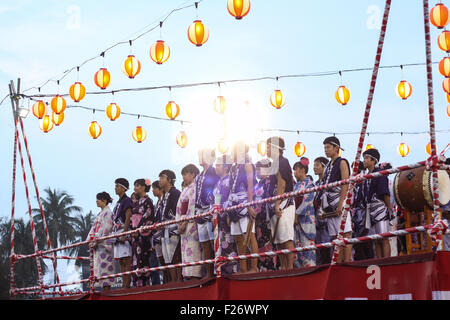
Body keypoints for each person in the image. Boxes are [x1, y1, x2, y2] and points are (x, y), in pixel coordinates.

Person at [319, 136, 352, 263]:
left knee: (346, 234)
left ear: (336, 148)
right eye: (325, 147)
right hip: (329, 203)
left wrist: (341, 203)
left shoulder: (342, 162)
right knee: (335, 236)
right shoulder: (327, 165)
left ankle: (347, 261)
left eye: (328, 147)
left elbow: (345, 183)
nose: (326, 150)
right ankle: (338, 262)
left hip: (339, 200)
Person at [228, 142, 258, 274]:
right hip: (233, 204)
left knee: (250, 236)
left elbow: (251, 186)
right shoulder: (232, 168)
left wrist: (250, 205)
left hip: (245, 201)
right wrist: (229, 211)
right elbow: (230, 189)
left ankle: (254, 267)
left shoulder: (247, 165)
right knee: (238, 238)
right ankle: (243, 268)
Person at [266, 137, 296, 270]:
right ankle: (283, 266)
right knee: (278, 239)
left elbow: (282, 184)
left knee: (286, 237)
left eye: (268, 147)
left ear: (274, 148)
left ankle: (290, 267)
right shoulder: (274, 163)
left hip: (283, 202)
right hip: (275, 203)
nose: (266, 150)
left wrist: (277, 203)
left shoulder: (282, 162)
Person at [359, 148, 391, 258]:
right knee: (376, 239)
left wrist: (388, 209)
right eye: (364, 158)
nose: (364, 160)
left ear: (374, 160)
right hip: (370, 209)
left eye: (367, 158)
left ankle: (386, 262)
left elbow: (385, 194)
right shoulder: (366, 176)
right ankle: (379, 261)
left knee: (383, 237)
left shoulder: (380, 174)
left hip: (380, 207)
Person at [195, 148, 220, 277]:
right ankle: (209, 273)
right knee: (204, 244)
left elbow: (217, 190)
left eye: (203, 154)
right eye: (200, 154)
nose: (200, 157)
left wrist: (214, 208)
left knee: (212, 242)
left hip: (210, 210)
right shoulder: (199, 175)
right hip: (200, 211)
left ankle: (217, 271)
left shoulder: (214, 172)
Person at [176, 164, 203, 280]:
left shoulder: (195, 188)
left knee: (193, 248)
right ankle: (187, 274)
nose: (184, 177)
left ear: (192, 174)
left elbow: (191, 207)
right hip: (182, 222)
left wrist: (185, 222)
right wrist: (178, 223)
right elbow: (178, 208)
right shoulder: (185, 189)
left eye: (185, 174)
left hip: (190, 223)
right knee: (185, 250)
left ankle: (195, 275)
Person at [213, 155, 238, 275]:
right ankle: (221, 272)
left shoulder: (230, 180)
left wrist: (227, 214)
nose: (215, 167)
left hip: (226, 218)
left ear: (226, 167)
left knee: (228, 245)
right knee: (220, 247)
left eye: (218, 165)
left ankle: (231, 272)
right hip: (217, 220)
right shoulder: (218, 182)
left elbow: (230, 199)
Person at [87, 192, 115, 291]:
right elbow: (94, 227)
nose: (96, 201)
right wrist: (90, 238)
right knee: (99, 271)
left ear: (104, 200)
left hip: (104, 244)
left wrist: (96, 237)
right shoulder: (101, 213)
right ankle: (104, 290)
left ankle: (107, 292)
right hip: (98, 245)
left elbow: (106, 228)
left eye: (98, 199)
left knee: (106, 270)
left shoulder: (108, 212)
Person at [130, 179, 156, 287]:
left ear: (143, 187)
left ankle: (144, 284)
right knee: (136, 260)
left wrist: (139, 229)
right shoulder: (136, 203)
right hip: (135, 235)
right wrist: (132, 230)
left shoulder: (147, 201)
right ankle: (137, 284)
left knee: (143, 259)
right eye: (134, 186)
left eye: (137, 185)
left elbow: (148, 217)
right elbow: (133, 218)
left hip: (143, 236)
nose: (135, 188)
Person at [292, 157, 316, 268]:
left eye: (296, 170)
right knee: (297, 248)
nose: (294, 173)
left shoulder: (310, 184)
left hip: (306, 218)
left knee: (308, 246)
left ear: (302, 170)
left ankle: (310, 269)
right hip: (296, 220)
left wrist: (296, 214)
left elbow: (307, 201)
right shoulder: (295, 186)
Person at [254, 159, 278, 271]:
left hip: (268, 219)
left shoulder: (270, 182)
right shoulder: (258, 184)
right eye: (256, 169)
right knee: (260, 244)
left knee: (269, 244)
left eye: (260, 169)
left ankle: (270, 268)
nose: (257, 171)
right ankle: (261, 268)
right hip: (258, 220)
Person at [159, 170, 182, 282]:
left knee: (176, 255)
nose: (160, 180)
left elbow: (179, 211)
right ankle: (173, 281)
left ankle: (179, 280)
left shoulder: (176, 193)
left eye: (162, 178)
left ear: (169, 180)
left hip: (174, 227)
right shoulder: (164, 195)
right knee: (168, 257)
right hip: (165, 229)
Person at [112, 178, 133, 288]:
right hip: (117, 232)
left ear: (123, 188)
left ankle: (127, 283)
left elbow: (128, 217)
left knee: (126, 259)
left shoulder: (127, 200)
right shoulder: (118, 202)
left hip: (124, 230)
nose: (115, 188)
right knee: (120, 260)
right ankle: (124, 283)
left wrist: (124, 233)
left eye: (117, 186)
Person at [351, 161, 374, 261]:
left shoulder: (364, 180)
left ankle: (369, 260)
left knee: (366, 237)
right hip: (355, 214)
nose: (353, 171)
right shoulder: (352, 183)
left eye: (355, 169)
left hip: (364, 212)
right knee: (356, 240)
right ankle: (360, 260)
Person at [313, 157, 332, 265]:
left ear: (324, 167)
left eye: (317, 165)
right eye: (314, 165)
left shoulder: (328, 182)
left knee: (327, 248)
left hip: (326, 218)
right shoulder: (315, 184)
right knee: (318, 250)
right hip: (316, 219)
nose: (314, 167)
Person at [151, 180, 167, 284]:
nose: (152, 191)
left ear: (160, 189)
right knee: (161, 258)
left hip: (164, 231)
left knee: (167, 258)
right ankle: (166, 279)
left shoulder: (164, 200)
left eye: (154, 188)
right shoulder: (156, 202)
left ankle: (169, 279)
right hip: (156, 234)